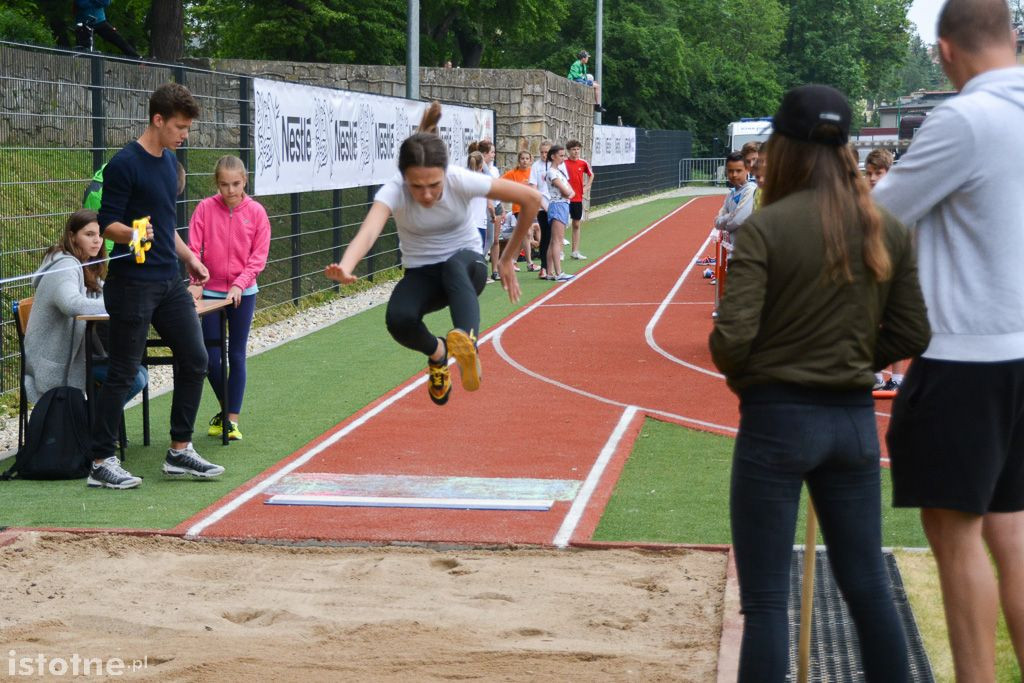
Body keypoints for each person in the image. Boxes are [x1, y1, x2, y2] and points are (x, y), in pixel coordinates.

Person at [709, 84, 930, 681]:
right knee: (868, 591)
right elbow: (914, 329)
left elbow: (730, 339)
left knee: (765, 605)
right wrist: (856, 358)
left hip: (776, 424)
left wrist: (760, 378)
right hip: (854, 424)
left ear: (782, 150)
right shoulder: (885, 225)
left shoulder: (765, 228)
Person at [872, 1, 1024, 678]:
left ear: (945, 52)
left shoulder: (964, 119)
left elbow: (876, 217)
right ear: (1012, 38)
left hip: (965, 357)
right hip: (1018, 351)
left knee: (958, 538)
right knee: (1014, 537)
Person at [325, 102, 542, 406]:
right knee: (398, 319)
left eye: (434, 185)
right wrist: (346, 266)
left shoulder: (459, 179)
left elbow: (531, 199)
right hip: (423, 274)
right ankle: (439, 354)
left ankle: (468, 344)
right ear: (403, 178)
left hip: (467, 267)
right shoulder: (395, 189)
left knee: (454, 265)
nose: (426, 194)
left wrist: (507, 258)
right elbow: (369, 230)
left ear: (445, 173)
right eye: (417, 186)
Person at [89, 82, 224, 490]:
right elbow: (106, 222)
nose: (185, 135)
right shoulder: (124, 164)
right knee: (123, 370)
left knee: (196, 358)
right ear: (158, 119)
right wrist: (132, 236)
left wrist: (191, 258)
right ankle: (100, 461)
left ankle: (179, 451)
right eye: (180, 127)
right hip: (132, 284)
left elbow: (166, 226)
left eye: (188, 128)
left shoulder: (169, 163)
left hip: (169, 281)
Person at [23, 209, 148, 407]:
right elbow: (72, 304)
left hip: (79, 357)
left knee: (136, 372)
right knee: (133, 377)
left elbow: (106, 294)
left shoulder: (87, 265)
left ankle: (91, 427)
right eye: (89, 235)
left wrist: (138, 299)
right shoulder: (63, 265)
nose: (97, 241)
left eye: (100, 235)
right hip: (53, 364)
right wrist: (118, 305)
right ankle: (94, 429)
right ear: (72, 237)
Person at [187, 155, 270, 442]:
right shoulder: (204, 209)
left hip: (242, 294)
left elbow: (258, 258)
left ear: (245, 181)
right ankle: (227, 407)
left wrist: (239, 285)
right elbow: (193, 249)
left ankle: (231, 420)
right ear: (216, 184)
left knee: (236, 353)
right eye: (224, 185)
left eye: (236, 184)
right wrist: (197, 281)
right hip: (209, 292)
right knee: (209, 356)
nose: (230, 190)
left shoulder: (257, 213)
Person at [862, 148, 905, 392]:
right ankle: (876, 374)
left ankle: (897, 377)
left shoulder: (898, 200)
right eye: (869, 173)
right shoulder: (865, 199)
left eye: (879, 173)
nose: (874, 178)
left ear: (889, 173)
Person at [500, 150, 541, 272]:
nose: (524, 161)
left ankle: (512, 261)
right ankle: (529, 263)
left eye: (527, 159)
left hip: (531, 207)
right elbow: (500, 182)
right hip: (519, 208)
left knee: (523, 235)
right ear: (519, 160)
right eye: (522, 158)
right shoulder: (513, 173)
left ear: (530, 160)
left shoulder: (533, 172)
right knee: (527, 234)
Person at [543, 144, 575, 282]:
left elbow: (570, 191)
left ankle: (550, 272)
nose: (563, 158)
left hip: (561, 205)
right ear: (553, 156)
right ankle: (559, 272)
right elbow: (567, 191)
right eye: (561, 155)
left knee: (553, 241)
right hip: (558, 205)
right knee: (557, 240)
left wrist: (570, 193)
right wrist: (569, 193)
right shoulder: (552, 172)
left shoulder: (559, 171)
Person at [72, 0, 140, 59]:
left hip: (100, 20)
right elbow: (82, 4)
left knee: (118, 39)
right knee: (84, 47)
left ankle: (137, 59)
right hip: (84, 22)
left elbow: (106, 2)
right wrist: (97, 2)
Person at [563, 139, 594, 260]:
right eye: (573, 149)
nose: (576, 152)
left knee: (576, 224)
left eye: (577, 149)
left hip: (577, 199)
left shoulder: (583, 163)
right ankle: (560, 252)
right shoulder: (563, 163)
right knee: (561, 225)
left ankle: (575, 251)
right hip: (565, 198)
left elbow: (591, 174)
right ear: (569, 151)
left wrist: (587, 186)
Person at [529, 140, 554, 279]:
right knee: (545, 236)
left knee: (555, 237)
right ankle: (544, 267)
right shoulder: (536, 167)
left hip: (555, 205)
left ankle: (554, 267)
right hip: (542, 207)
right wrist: (543, 205)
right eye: (542, 152)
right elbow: (533, 188)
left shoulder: (556, 165)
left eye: (547, 152)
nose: (544, 155)